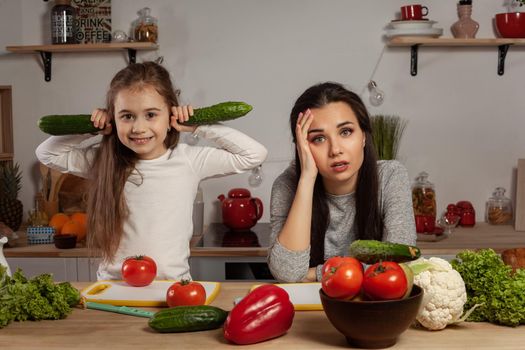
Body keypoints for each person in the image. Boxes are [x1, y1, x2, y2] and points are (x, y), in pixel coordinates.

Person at [36, 62, 267, 281]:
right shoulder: (102, 160)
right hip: (114, 286)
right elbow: (46, 153)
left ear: (171, 116)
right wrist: (90, 127)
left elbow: (254, 154)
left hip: (172, 286)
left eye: (151, 115)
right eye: (127, 116)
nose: (138, 128)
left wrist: (199, 124)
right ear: (113, 119)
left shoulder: (188, 159)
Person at [267, 82, 416, 283]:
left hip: (373, 303)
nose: (335, 149)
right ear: (302, 146)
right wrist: (307, 178)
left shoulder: (391, 176)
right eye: (318, 138)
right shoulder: (287, 185)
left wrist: (315, 274)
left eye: (345, 132)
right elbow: (288, 273)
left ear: (363, 135)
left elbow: (400, 263)